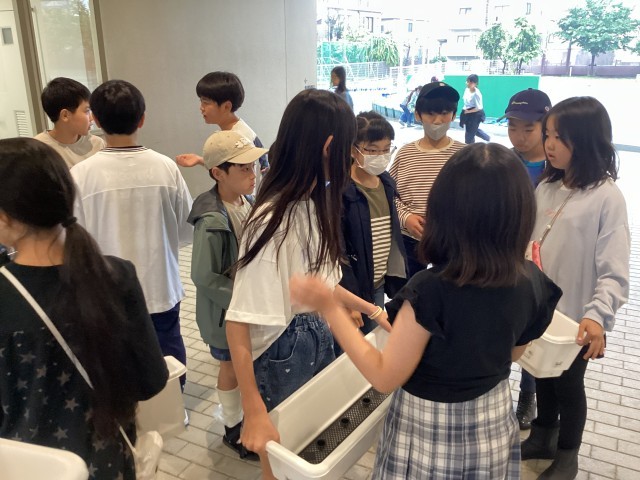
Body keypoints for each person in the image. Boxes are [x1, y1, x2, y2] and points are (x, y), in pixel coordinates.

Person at [291, 142, 562, 479]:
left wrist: (330, 307)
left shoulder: (431, 290)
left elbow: (385, 376)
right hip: (490, 419)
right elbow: (515, 353)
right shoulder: (532, 279)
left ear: (446, 211)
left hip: (429, 428)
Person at [224, 89, 390, 479]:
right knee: (282, 460)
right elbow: (238, 321)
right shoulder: (272, 219)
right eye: (350, 149)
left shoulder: (311, 203)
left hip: (313, 336)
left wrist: (372, 309)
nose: (353, 158)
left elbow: (322, 284)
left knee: (308, 450)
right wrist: (253, 408)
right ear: (331, 147)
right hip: (282, 350)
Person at [0, 138, 168, 480]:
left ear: (5, 218)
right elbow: (150, 381)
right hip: (110, 462)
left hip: (31, 469)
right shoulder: (117, 275)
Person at [521, 97, 630, 480]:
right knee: (542, 376)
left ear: (585, 140)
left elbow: (615, 269)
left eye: (560, 137)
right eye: (548, 135)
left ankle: (567, 456)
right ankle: (542, 436)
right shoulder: (547, 186)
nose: (549, 145)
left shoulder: (607, 197)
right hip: (541, 310)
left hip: (577, 318)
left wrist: (598, 315)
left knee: (569, 386)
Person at [71, 80, 193, 389]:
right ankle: (174, 406)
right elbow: (186, 226)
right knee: (168, 353)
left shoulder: (81, 175)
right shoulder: (166, 168)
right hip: (161, 284)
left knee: (115, 360)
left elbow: (74, 237)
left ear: (97, 121)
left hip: (107, 291)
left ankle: (129, 411)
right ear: (142, 119)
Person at [187, 130, 266, 460]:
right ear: (218, 173)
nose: (253, 173)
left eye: (254, 166)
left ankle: (245, 418)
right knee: (231, 365)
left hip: (245, 306)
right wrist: (243, 300)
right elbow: (203, 275)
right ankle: (233, 427)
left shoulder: (246, 201)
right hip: (226, 313)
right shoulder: (212, 219)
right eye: (243, 168)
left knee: (243, 363)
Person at [503, 87, 553, 430]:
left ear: (546, 126)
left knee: (535, 331)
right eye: (512, 127)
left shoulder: (556, 168)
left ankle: (528, 395)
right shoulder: (503, 162)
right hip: (504, 259)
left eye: (528, 129)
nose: (518, 137)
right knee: (506, 328)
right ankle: (497, 387)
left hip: (542, 264)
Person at [340, 111, 407, 344]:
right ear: (353, 150)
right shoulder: (342, 191)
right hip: (353, 287)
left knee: (374, 342)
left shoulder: (386, 183)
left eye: (386, 149)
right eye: (372, 150)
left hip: (378, 281)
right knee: (354, 348)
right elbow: (337, 250)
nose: (380, 156)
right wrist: (350, 301)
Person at [390, 81, 465, 277]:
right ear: (418, 115)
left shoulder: (465, 154)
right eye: (431, 113)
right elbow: (389, 194)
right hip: (410, 239)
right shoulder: (405, 154)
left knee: (452, 288)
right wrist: (405, 217)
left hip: (453, 242)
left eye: (445, 113)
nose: (438, 120)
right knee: (410, 290)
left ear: (453, 115)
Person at [175, 71, 269, 175]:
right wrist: (199, 160)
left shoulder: (240, 138)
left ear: (226, 106)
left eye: (205, 103)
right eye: (201, 101)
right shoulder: (234, 131)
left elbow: (247, 179)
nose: (201, 108)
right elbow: (229, 166)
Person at [33, 77, 105, 168]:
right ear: (65, 115)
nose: (91, 118)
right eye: (87, 111)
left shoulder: (96, 144)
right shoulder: (38, 148)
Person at [461, 74, 490, 144]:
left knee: (469, 135)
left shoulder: (477, 94)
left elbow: (479, 108)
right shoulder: (466, 90)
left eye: (471, 82)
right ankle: (487, 137)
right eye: (468, 81)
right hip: (467, 112)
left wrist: (468, 111)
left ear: (475, 84)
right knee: (472, 129)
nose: (468, 83)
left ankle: (470, 147)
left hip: (475, 114)